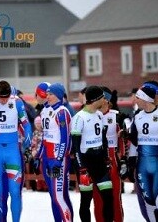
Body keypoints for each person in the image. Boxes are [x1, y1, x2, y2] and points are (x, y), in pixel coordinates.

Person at [0, 80, 32, 221]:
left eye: (6, 97)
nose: (4, 101)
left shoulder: (17, 102)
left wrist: (27, 140)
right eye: (1, 97)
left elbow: (26, 124)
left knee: (15, 192)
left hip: (12, 150)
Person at [71, 85, 113, 222]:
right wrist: (81, 168)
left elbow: (104, 139)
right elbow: (76, 147)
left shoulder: (100, 115)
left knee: (108, 198)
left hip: (99, 162)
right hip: (85, 163)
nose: (105, 100)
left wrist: (106, 158)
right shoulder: (79, 117)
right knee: (86, 201)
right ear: (96, 99)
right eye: (103, 98)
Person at [129, 85, 158, 222]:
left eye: (138, 97)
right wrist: (130, 163)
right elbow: (134, 140)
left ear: (146, 99)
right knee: (148, 202)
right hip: (142, 164)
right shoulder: (138, 116)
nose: (135, 100)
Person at [38, 83, 74, 222]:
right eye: (47, 94)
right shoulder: (45, 110)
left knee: (59, 197)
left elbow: (65, 138)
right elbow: (44, 135)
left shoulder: (62, 112)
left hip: (57, 156)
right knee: (54, 196)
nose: (48, 96)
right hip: (47, 156)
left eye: (51, 94)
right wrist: (39, 155)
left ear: (58, 95)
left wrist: (59, 160)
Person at [92, 86, 125, 222]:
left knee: (114, 199)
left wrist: (123, 160)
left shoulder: (116, 116)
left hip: (112, 160)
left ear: (106, 100)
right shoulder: (90, 116)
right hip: (95, 160)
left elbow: (122, 142)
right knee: (98, 199)